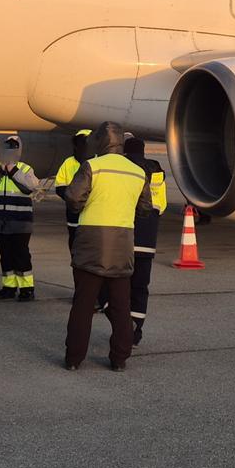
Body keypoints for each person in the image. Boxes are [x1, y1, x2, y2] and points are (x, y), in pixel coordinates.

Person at [62, 121, 152, 372]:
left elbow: (73, 197)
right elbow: (145, 208)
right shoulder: (136, 171)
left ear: (101, 141)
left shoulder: (92, 166)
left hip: (91, 245)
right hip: (122, 247)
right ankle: (119, 358)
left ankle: (74, 359)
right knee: (121, 306)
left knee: (83, 305)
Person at [0, 137, 42, 301]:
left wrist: (13, 171)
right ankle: (9, 287)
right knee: (5, 255)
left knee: (21, 254)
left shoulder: (25, 169)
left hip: (20, 221)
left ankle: (27, 288)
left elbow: (31, 186)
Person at [121, 135, 166, 343]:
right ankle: (136, 332)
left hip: (124, 237)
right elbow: (161, 206)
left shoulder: (123, 168)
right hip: (147, 239)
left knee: (119, 286)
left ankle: (120, 328)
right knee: (140, 287)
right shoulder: (156, 171)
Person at [54, 129, 93, 257]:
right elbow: (59, 187)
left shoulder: (69, 162)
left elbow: (60, 187)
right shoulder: (96, 162)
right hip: (85, 212)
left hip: (76, 211)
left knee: (77, 243)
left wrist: (72, 198)